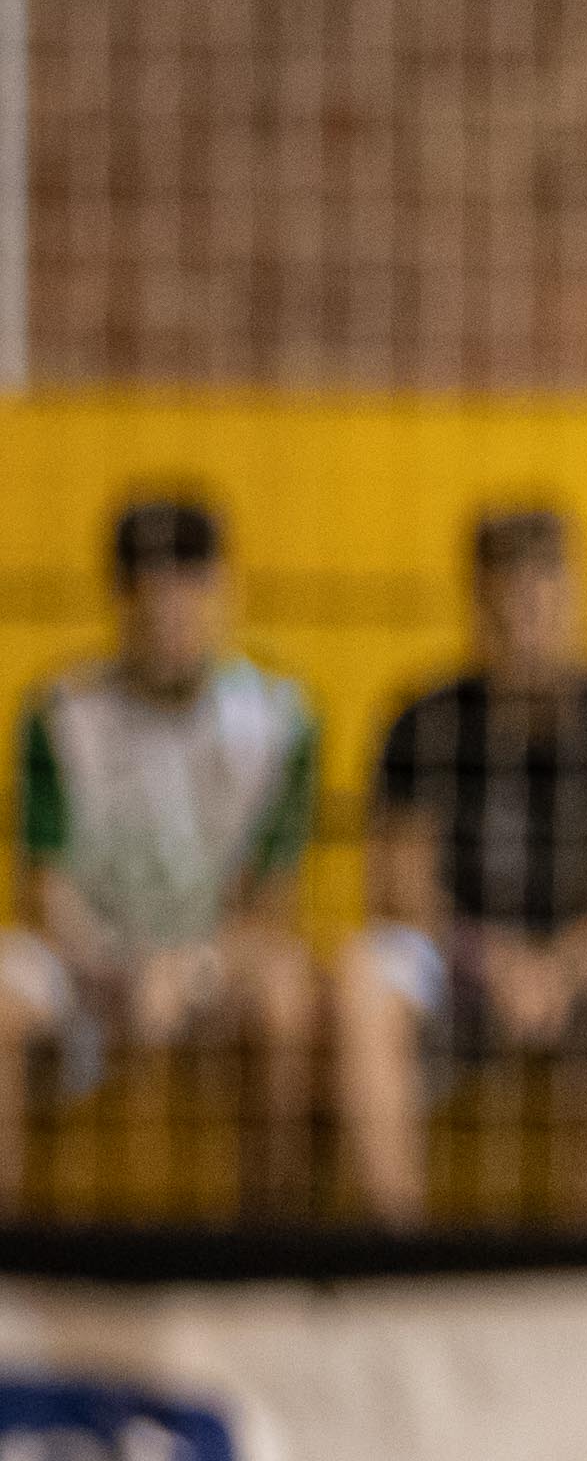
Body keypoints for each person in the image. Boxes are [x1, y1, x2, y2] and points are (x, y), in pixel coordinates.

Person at [334, 504, 587, 1231]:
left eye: (544, 601)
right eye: (507, 605)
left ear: (577, 599)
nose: (528, 624)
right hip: (460, 964)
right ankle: (396, 1236)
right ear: (478, 607)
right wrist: (494, 962)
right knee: (364, 969)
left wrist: (561, 966)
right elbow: (397, 893)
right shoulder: (425, 718)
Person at [0, 492, 320, 1220]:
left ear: (221, 592)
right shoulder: (59, 713)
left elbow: (270, 911)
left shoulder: (278, 719)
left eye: (191, 591)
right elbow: (44, 894)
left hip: (214, 959)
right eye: (153, 596)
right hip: (87, 957)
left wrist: (191, 969)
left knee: (287, 989)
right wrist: (118, 972)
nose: (173, 616)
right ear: (119, 601)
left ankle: (272, 1241)